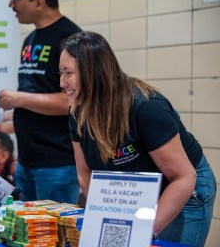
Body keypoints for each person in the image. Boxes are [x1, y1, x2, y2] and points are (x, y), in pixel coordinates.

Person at [59, 31, 217, 247]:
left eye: (68, 73)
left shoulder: (147, 106)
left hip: (183, 187)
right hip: (137, 193)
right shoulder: (78, 111)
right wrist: (105, 214)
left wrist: (140, 232)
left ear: (92, 72)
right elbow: (85, 172)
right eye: (61, 73)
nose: (61, 82)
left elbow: (183, 177)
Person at [0, 0, 82, 204]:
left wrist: (18, 99)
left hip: (56, 164)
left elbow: (72, 101)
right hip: (26, 161)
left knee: (53, 236)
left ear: (39, 3)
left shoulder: (70, 39)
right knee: (26, 236)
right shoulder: (31, 39)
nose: (11, 4)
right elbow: (36, 91)